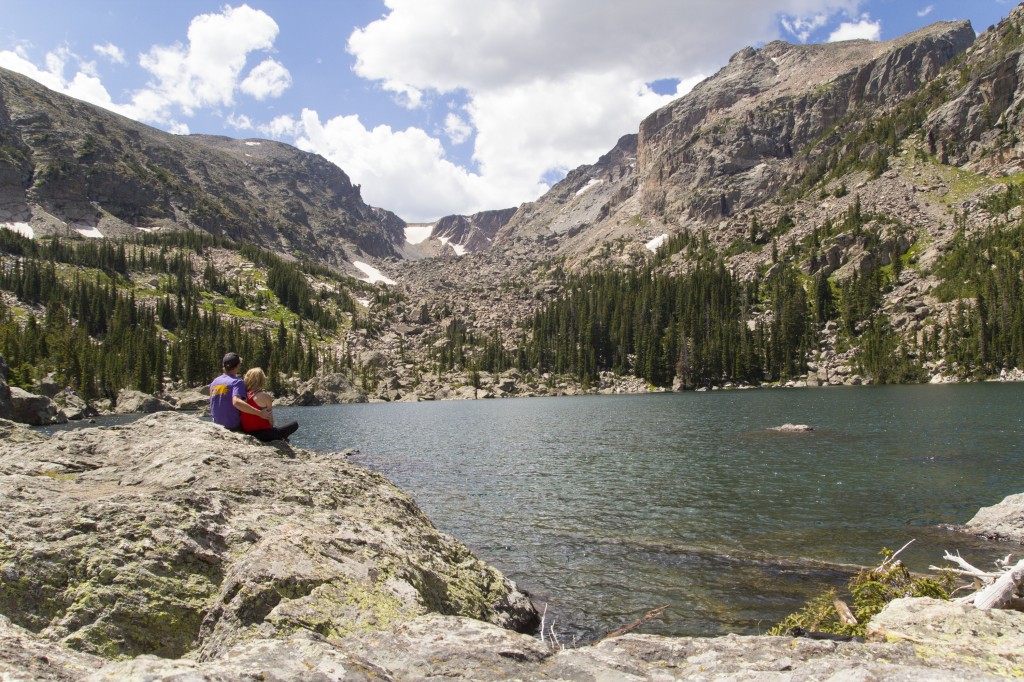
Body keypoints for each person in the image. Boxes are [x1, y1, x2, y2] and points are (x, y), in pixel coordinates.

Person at [209, 352, 267, 431]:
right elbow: (236, 402)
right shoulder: (237, 382)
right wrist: (260, 413)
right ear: (238, 366)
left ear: (224, 366)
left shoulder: (215, 382)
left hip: (216, 425)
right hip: (232, 426)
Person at [240, 367, 299, 442]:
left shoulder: (243, 395)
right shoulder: (265, 397)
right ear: (261, 380)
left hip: (247, 432)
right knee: (294, 424)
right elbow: (270, 421)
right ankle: (281, 438)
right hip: (264, 434)